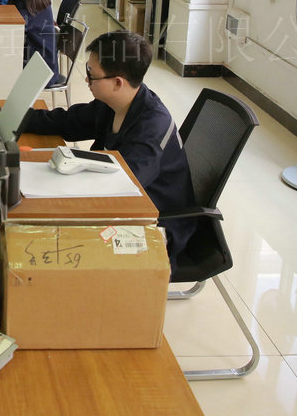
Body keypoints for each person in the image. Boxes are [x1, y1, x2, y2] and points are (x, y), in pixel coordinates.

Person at [21, 31, 195, 269]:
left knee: (58, 248)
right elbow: (67, 122)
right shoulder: (114, 103)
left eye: (92, 74)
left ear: (117, 82)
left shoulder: (150, 128)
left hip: (154, 223)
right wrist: (13, 116)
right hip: (121, 206)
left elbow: (123, 188)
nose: (86, 79)